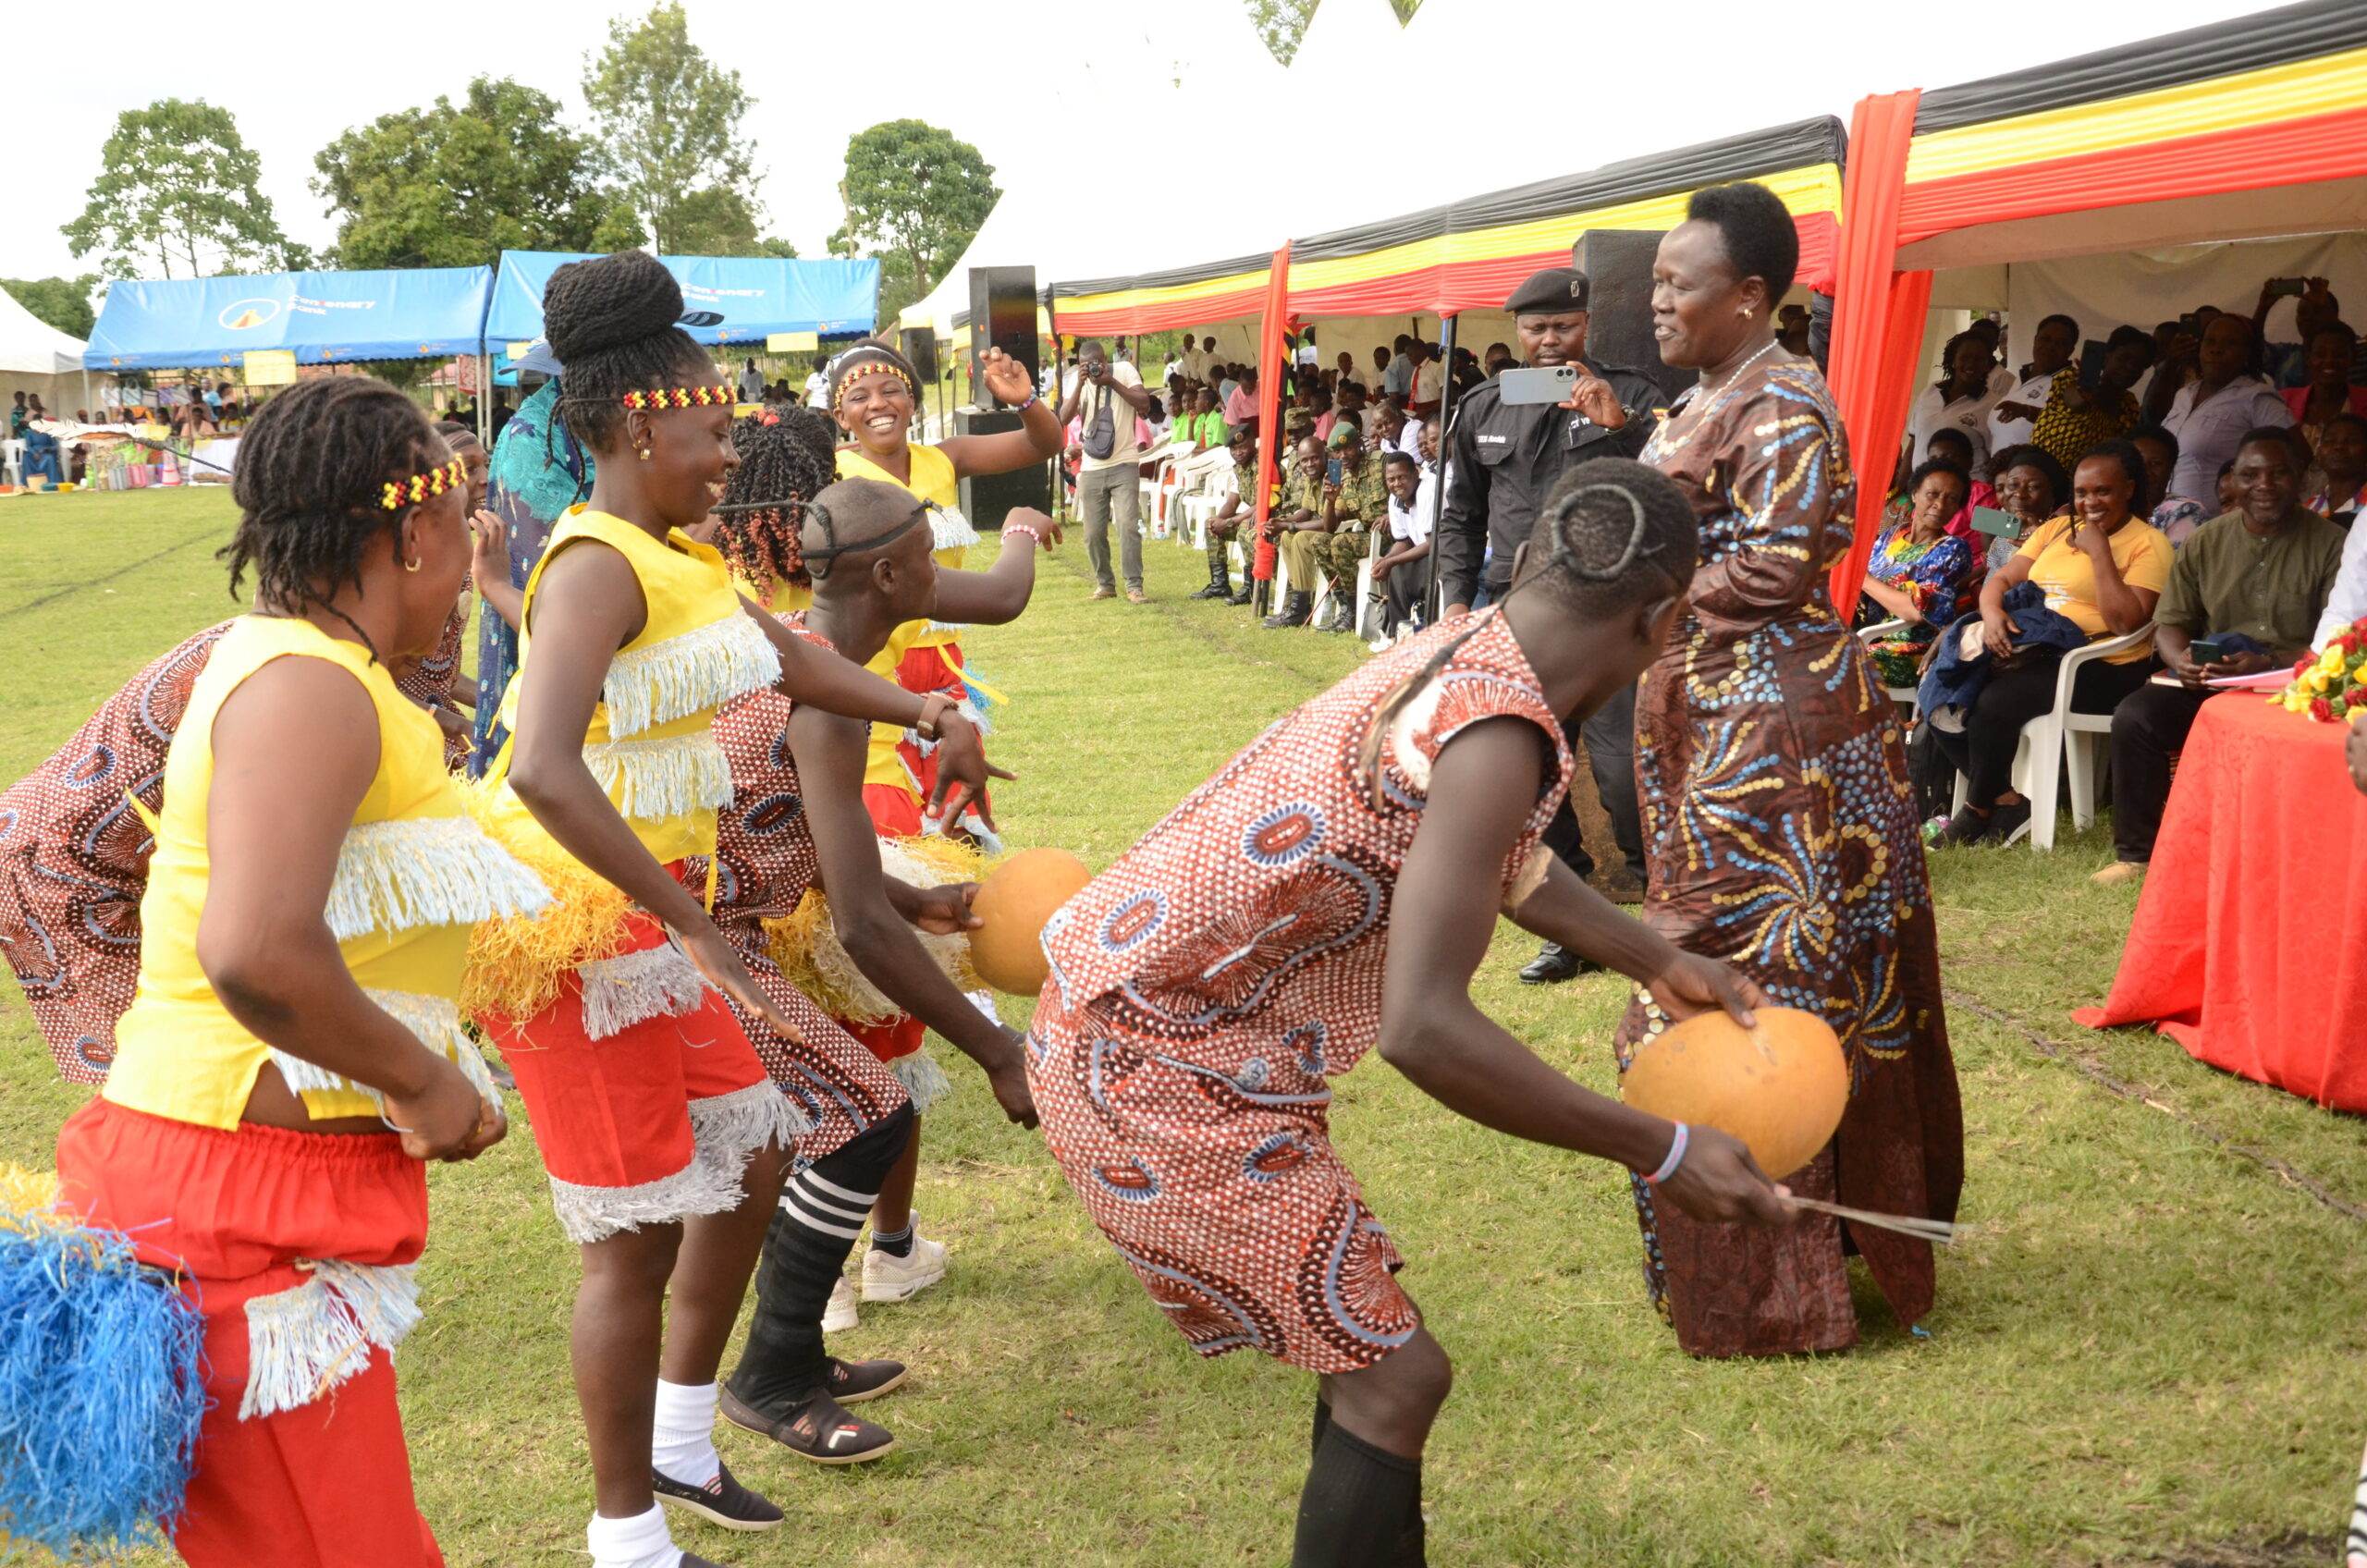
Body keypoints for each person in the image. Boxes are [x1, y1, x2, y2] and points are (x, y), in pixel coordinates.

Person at [1026, 457, 1796, 1567]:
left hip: (1135, 1023)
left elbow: (1495, 857)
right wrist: (1662, 1147)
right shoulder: (1500, 730)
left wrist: (1644, 953)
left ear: (1531, 556)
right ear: (1665, 617)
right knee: (1396, 1376)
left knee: (1371, 1356)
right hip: (1146, 1060)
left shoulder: (1465, 649)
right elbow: (1423, 1030)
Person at [464, 251, 1001, 1567]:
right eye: (713, 427)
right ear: (643, 422)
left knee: (760, 1147)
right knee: (635, 1237)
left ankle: (687, 1438)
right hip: (576, 928)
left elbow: (792, 658)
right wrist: (692, 921)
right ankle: (626, 1536)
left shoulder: (678, 550)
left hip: (655, 921)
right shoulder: (595, 564)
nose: (732, 450)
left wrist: (922, 707)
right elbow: (538, 768)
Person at [52, 376, 540, 1565]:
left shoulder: (312, 668)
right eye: (461, 525)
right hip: (228, 1202)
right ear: (417, 530)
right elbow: (257, 948)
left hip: (244, 1195)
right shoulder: (307, 685)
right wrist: (421, 1080)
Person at [1628, 179, 1962, 1358]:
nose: (1655, 298)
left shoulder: (1783, 404)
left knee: (1758, 972)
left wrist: (1636, 600)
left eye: (1678, 282)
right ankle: (1759, 1258)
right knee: (1729, 966)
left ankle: (1790, 1281)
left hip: (1778, 740)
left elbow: (1772, 567)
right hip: (1713, 720)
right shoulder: (1704, 394)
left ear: (1750, 297)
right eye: (1657, 277)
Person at [698, 445, 1043, 1461]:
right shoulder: (834, 698)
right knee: (864, 1112)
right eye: (930, 559)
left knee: (858, 1113)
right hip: (698, 942)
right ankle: (770, 1375)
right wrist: (996, 1050)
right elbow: (855, 923)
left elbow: (808, 837)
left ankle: (792, 1354)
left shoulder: (818, 659)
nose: (941, 575)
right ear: (890, 578)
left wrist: (915, 894)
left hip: (721, 927)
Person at [1436, 265, 1663, 980]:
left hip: (1609, 612)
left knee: (1626, 769)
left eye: (1563, 327)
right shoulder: (1484, 405)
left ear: (1586, 325)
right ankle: (1573, 929)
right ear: (1516, 333)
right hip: (1516, 607)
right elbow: (1462, 513)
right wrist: (1452, 596)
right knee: (1531, 770)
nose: (1549, 340)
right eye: (1535, 328)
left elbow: (1671, 493)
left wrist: (1618, 429)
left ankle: (1661, 899)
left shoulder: (1635, 396)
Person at [2091, 429, 2343, 887]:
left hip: (2300, 682)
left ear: (2301, 479)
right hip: (2217, 680)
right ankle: (2137, 856)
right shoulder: (2207, 541)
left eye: (2277, 473)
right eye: (2250, 475)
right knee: (2136, 717)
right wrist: (2181, 659)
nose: (2263, 485)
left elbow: (2341, 639)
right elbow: (2170, 623)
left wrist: (2270, 665)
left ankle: (2296, 858)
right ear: (2233, 483)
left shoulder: (2331, 543)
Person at [1932, 441, 2170, 846]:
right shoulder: (2056, 528)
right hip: (2037, 646)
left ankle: (1976, 812)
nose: (2090, 502)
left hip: (2103, 664)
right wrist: (1992, 616)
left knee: (1994, 702)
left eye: (2103, 491)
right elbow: (2003, 579)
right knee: (1944, 685)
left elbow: (2126, 621)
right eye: (2081, 493)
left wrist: (2099, 555)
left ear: (2129, 489)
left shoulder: (2149, 543)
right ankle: (2007, 800)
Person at [1858, 459, 1977, 689]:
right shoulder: (1892, 536)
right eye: (1932, 494)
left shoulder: (1952, 548)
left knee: (1834, 664)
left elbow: (1915, 611)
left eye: (1951, 499)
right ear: (1914, 494)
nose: (1940, 505)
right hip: (1866, 637)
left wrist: (1863, 580)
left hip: (1909, 650)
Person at [2151, 313, 2294, 502]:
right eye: (2210, 341)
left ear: (2247, 353)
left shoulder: (2256, 398)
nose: (2217, 350)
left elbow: (2296, 455)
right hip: (2169, 520)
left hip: (2218, 523)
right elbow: (2153, 415)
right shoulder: (2184, 394)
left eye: (2230, 344)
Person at [2028, 325, 2153, 473]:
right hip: (2044, 480)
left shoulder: (2129, 405)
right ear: (2106, 357)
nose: (2129, 368)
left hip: (2090, 489)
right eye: (2123, 359)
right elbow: (2073, 401)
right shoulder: (2070, 380)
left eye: (2138, 365)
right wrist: (2083, 393)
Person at [2283, 323, 2367, 495]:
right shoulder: (2283, 401)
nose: (2329, 360)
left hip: (2355, 508)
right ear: (2308, 358)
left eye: (2340, 354)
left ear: (2353, 358)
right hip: (2289, 508)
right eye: (2320, 354)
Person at [1262, 435, 1336, 629]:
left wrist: (1289, 525)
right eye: (1304, 460)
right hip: (1320, 531)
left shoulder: (1333, 476)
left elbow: (1328, 522)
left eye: (1315, 458)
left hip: (1337, 532)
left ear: (1325, 456)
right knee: (1287, 537)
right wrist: (1282, 522)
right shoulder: (1312, 478)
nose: (1310, 464)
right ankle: (1299, 603)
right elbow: (1305, 512)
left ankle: (1299, 609)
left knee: (1300, 537)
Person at [1906, 330, 2004, 476]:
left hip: (1968, 493)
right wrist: (1899, 489)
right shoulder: (1930, 392)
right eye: (1965, 358)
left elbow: (1996, 458)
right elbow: (1914, 443)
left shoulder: (1994, 404)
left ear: (1987, 365)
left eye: (1979, 360)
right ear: (1954, 360)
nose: (1971, 364)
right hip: (1923, 490)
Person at [1194, 424, 1265, 604]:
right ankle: (1220, 584)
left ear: (1252, 443)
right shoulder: (1239, 469)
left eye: (1242, 447)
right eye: (1234, 449)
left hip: (1268, 518)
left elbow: (1263, 503)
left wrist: (1231, 522)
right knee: (1210, 523)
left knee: (1242, 528)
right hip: (1249, 518)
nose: (1238, 452)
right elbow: (1233, 501)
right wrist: (1218, 520)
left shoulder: (1263, 465)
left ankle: (1250, 588)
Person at [1371, 448, 1432, 643]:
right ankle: (1399, 635)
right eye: (1391, 479)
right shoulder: (1395, 498)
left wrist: (1391, 562)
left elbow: (1432, 544)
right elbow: (1404, 541)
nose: (1396, 484)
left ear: (1415, 473)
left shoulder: (1427, 491)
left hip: (1441, 553)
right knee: (1395, 568)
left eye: (1402, 477)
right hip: (1421, 552)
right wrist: (1385, 561)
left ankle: (1424, 629)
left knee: (1398, 568)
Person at [2251, 275, 2344, 388]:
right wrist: (2262, 308)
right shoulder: (2285, 354)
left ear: (2335, 316)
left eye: (2317, 311)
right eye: (2302, 312)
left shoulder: (2355, 350)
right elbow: (2252, 349)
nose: (2308, 317)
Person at [2309, 410, 2367, 529]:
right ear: (2319, 452)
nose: (2338, 446)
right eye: (2329, 441)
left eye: (2351, 441)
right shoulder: (2308, 509)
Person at [1404, 337, 1444, 418]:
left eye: (1410, 354)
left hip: (1435, 413)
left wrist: (1428, 411)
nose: (1408, 358)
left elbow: (1446, 396)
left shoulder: (1437, 368)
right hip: (1420, 412)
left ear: (1421, 351)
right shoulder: (1416, 370)